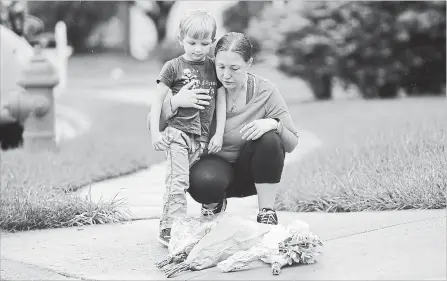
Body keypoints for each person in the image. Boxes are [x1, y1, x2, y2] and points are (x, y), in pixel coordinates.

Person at [147, 32, 299, 243]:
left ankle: (266, 212)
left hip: (253, 173)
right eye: (221, 67)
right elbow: (153, 124)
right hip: (214, 170)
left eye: (234, 68)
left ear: (249, 63)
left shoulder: (266, 91)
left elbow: (291, 143)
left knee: (271, 139)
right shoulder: (203, 88)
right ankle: (213, 204)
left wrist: (273, 123)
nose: (226, 75)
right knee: (205, 181)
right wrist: (175, 103)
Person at [150, 10, 226, 247]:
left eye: (204, 43)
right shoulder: (173, 67)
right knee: (178, 181)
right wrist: (155, 133)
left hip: (201, 139)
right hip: (177, 134)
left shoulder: (214, 67)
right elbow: (156, 101)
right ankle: (172, 227)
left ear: (212, 43)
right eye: (192, 42)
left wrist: (219, 133)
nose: (197, 49)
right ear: (181, 39)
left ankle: (211, 214)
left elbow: (221, 102)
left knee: (199, 178)